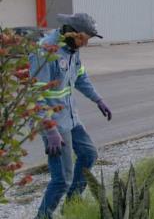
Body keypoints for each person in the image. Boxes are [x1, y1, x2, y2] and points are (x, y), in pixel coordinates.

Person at [30, 13, 112, 219]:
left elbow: (81, 76)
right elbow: (35, 96)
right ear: (71, 32)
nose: (84, 44)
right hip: (54, 124)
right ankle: (43, 216)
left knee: (88, 154)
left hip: (71, 118)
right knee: (61, 179)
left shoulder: (72, 49)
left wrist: (98, 99)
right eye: (83, 39)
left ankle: (72, 203)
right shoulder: (45, 52)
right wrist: (50, 130)